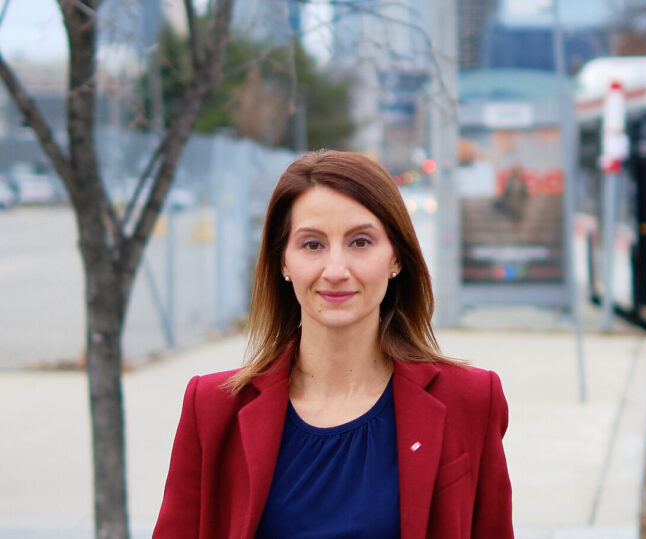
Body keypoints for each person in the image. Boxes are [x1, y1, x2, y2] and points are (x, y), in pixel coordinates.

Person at [154, 150, 513, 538]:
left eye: (360, 242)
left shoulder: (471, 399)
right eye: (312, 245)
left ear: (396, 257)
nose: (336, 271)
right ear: (284, 263)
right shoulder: (212, 407)